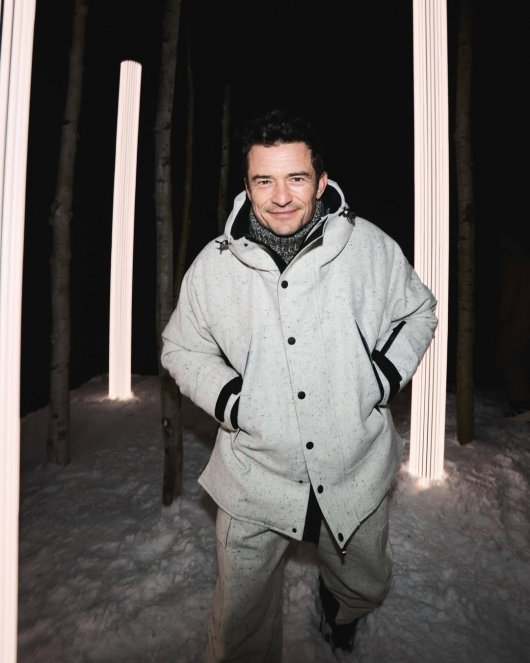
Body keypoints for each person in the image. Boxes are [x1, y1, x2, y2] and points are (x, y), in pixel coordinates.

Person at [161, 110, 438, 662]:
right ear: (247, 186)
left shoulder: (369, 248)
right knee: (239, 620)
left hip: (354, 460)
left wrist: (382, 377)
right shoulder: (214, 266)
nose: (281, 196)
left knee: (363, 578)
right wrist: (231, 402)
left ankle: (342, 610)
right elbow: (180, 348)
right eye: (264, 180)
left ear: (321, 181)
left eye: (296, 178)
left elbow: (419, 312)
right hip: (254, 473)